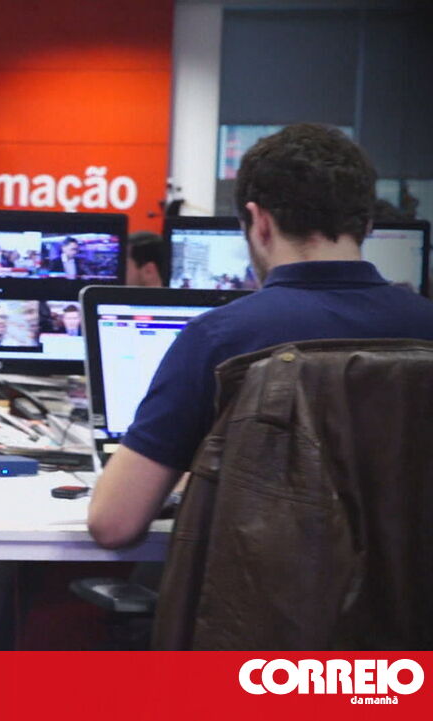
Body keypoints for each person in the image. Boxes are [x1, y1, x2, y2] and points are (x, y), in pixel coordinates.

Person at [88, 123, 433, 549]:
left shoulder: (219, 340)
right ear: (367, 223)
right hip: (412, 590)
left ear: (259, 221)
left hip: (264, 592)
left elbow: (114, 524)